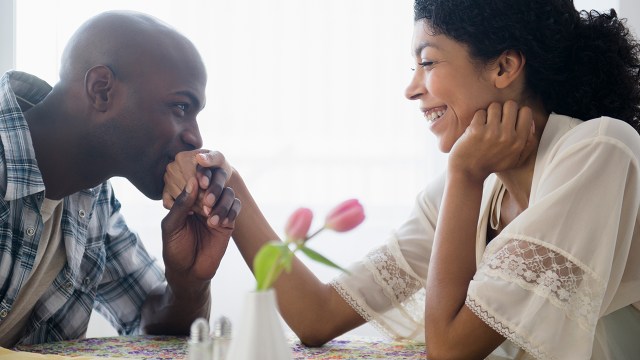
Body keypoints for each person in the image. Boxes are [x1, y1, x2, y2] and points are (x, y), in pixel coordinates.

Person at [165, 0, 640, 358]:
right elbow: (317, 316)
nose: (412, 87)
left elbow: (449, 350)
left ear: (503, 66)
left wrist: (464, 173)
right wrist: (231, 186)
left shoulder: (599, 150)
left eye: (428, 62)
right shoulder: (471, 187)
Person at [0, 11, 240, 347]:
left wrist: (188, 282)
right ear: (102, 91)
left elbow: (149, 325)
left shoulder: (92, 199)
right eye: (180, 107)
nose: (195, 139)